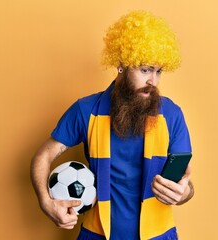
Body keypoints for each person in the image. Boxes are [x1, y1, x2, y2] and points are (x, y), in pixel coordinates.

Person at [31, 10, 194, 240]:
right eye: (145, 69)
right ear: (121, 65)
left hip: (159, 235)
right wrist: (45, 202)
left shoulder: (172, 115)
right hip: (96, 234)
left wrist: (184, 192)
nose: (153, 81)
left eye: (158, 72)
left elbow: (186, 185)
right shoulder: (85, 110)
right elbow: (43, 156)